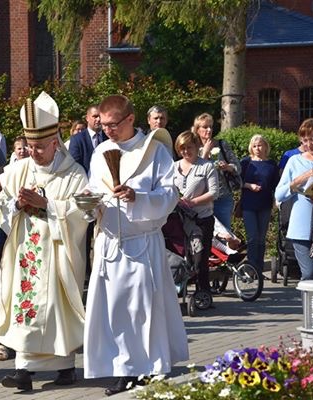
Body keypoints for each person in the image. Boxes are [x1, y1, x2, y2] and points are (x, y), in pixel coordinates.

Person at [83, 95, 188, 396]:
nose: (108, 131)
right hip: (110, 241)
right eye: (103, 125)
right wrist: (87, 200)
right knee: (114, 309)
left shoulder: (154, 151)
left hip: (142, 241)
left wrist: (137, 198)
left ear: (130, 119)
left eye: (113, 124)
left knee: (144, 309)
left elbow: (170, 194)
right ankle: (122, 368)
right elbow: (94, 186)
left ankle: (148, 368)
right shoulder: (101, 150)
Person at [0, 91, 89, 391]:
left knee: (56, 308)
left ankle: (64, 366)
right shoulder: (19, 170)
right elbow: (0, 208)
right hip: (27, 252)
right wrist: (17, 206)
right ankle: (23, 369)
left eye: (40, 147)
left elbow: (83, 212)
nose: (33, 153)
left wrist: (47, 204)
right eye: (30, 147)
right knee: (27, 303)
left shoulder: (73, 173)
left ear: (55, 142)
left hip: (59, 252)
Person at [174, 130, 218, 292]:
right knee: (180, 257)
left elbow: (214, 192)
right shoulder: (173, 167)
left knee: (200, 258)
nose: (186, 151)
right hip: (178, 220)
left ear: (197, 146)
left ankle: (203, 292)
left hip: (202, 219)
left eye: (189, 147)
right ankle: (179, 290)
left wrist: (193, 202)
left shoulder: (206, 166)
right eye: (182, 148)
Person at [275, 118, 313, 280]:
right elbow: (279, 195)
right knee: (309, 274)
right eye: (305, 140)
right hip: (302, 229)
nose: (309, 144)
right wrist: (301, 179)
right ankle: (309, 305)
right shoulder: (294, 161)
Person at [240, 135, 279, 274]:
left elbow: (276, 185)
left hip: (265, 204)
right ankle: (251, 269)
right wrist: (249, 186)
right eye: (255, 146)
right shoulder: (245, 163)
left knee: (261, 238)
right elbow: (236, 182)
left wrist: (276, 201)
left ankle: (259, 269)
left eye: (260, 145)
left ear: (265, 146)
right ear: (251, 147)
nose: (257, 148)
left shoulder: (271, 164)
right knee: (253, 237)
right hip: (249, 204)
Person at [195, 113, 241, 231]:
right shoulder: (193, 148)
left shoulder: (222, 144)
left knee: (225, 233)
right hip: (202, 198)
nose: (209, 130)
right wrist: (205, 153)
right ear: (197, 129)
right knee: (205, 233)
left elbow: (238, 167)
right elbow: (194, 172)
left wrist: (228, 167)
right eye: (205, 127)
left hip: (223, 196)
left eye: (211, 126)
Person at [69, 105, 107, 174]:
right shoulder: (77, 139)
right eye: (95, 116)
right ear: (87, 118)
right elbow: (74, 165)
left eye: (100, 116)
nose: (98, 119)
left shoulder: (109, 137)